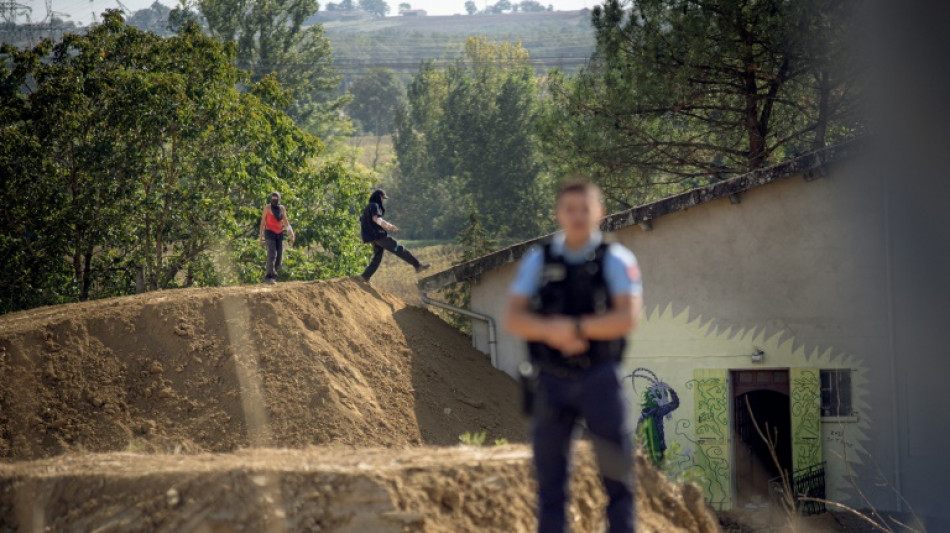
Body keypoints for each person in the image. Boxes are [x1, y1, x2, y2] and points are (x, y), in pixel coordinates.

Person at [504, 180, 643, 533]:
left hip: (600, 378)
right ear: (558, 214)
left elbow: (627, 317)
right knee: (550, 487)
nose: (578, 216)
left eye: (585, 208)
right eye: (570, 209)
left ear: (600, 213)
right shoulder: (539, 259)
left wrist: (576, 329)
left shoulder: (616, 259)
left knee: (619, 482)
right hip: (550, 380)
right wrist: (552, 332)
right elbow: (513, 317)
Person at [359, 189, 430, 281]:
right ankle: (417, 265)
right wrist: (389, 226)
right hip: (379, 237)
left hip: (372, 239)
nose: (383, 200)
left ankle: (365, 276)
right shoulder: (374, 205)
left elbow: (362, 220)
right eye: (382, 198)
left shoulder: (367, 208)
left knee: (377, 258)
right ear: (378, 197)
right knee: (399, 248)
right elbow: (376, 219)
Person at [259, 192, 295, 284]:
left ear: (279, 199)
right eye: (273, 198)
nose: (275, 200)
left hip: (279, 234)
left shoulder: (282, 209)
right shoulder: (267, 208)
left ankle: (273, 275)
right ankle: (269, 276)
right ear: (271, 199)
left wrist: (291, 233)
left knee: (279, 257)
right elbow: (263, 222)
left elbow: (285, 221)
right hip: (269, 233)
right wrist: (260, 237)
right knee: (272, 254)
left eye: (276, 198)